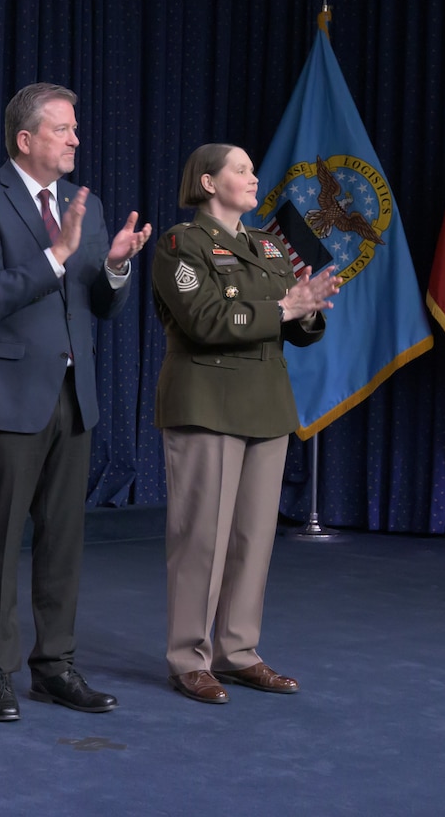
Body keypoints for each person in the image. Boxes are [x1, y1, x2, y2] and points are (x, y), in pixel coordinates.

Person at [0, 82, 151, 723]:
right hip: (7, 396)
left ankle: (55, 666)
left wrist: (114, 267)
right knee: (2, 540)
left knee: (64, 539)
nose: (75, 139)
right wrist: (58, 254)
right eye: (63, 129)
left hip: (73, 394)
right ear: (26, 139)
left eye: (75, 128)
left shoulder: (81, 205)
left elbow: (98, 305)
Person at [152, 144, 340, 704]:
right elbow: (207, 319)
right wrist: (284, 307)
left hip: (266, 404)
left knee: (253, 539)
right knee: (201, 538)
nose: (253, 178)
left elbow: (298, 329)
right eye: (241, 169)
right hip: (208, 402)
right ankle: (190, 657)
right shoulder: (179, 244)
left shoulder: (267, 246)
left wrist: (307, 308)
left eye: (253, 170)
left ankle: (238, 652)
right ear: (208, 182)